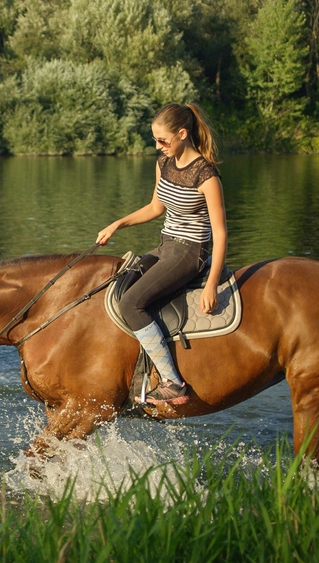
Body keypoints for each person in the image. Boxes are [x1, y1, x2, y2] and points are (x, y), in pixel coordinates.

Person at [96, 103, 226, 405]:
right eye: (155, 140)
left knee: (132, 303)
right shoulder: (164, 163)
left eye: (163, 140)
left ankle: (173, 382)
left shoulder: (206, 176)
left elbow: (220, 234)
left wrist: (211, 284)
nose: (158, 146)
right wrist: (117, 224)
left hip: (190, 252)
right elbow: (156, 208)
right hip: (166, 244)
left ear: (182, 134)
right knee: (118, 288)